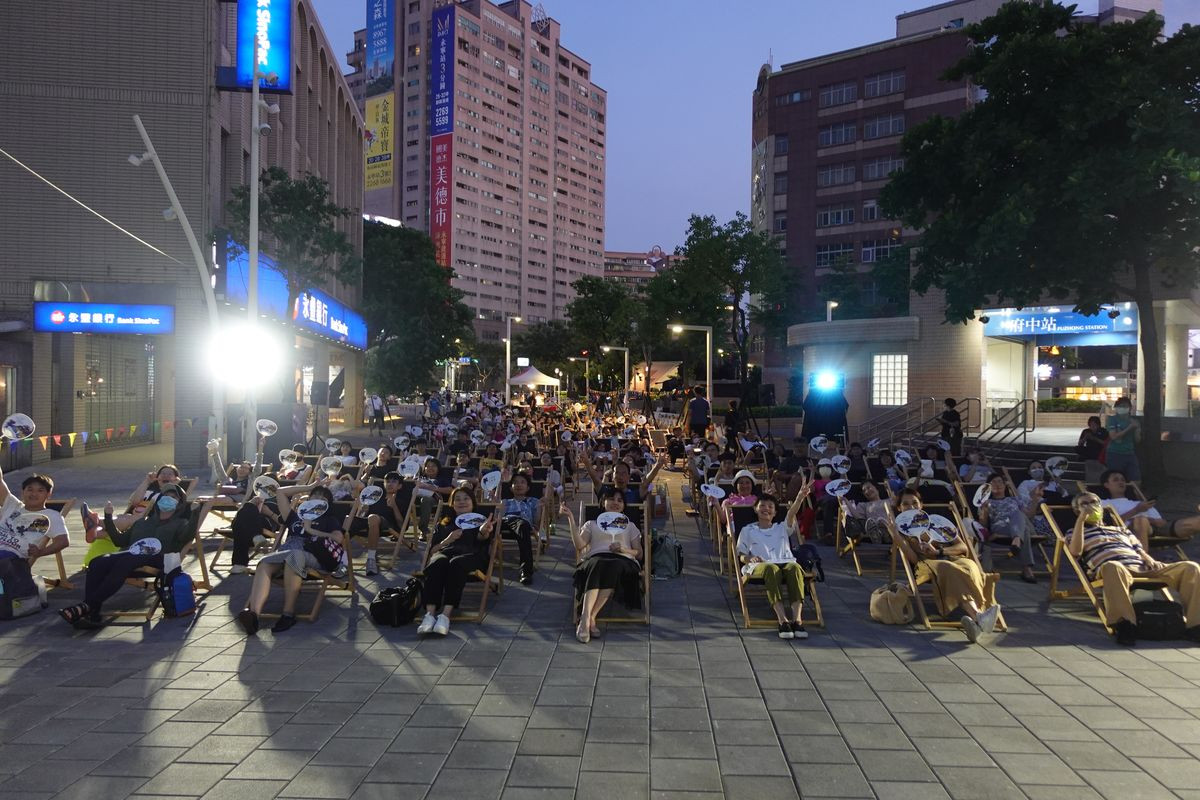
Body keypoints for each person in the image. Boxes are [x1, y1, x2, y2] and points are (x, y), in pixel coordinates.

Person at [1070, 492, 1200, 646]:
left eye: (1094, 502)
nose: (1091, 506)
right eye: (1084, 504)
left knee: (1191, 567)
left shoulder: (1120, 530)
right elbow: (1075, 552)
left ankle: (1195, 626)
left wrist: (1150, 560)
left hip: (1141, 566)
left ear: (1101, 507)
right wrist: (1081, 520)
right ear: (1078, 510)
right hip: (1116, 569)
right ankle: (1125, 625)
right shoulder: (1075, 532)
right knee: (1112, 566)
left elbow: (1139, 549)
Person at [58, 483, 193, 629]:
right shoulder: (142, 523)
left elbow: (188, 535)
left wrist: (196, 514)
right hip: (131, 557)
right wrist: (108, 518)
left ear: (179, 504)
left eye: (174, 497)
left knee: (126, 560)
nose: (169, 499)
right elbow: (120, 540)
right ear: (159, 499)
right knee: (97, 562)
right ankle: (93, 613)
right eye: (166, 496)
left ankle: (86, 606)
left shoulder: (181, 523)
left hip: (159, 559)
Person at [892, 488, 1000, 643]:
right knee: (947, 567)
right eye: (906, 504)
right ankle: (978, 616)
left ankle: (977, 623)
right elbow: (915, 559)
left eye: (915, 503)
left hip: (948, 556)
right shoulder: (902, 530)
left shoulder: (936, 522)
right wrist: (895, 536)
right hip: (927, 564)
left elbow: (963, 548)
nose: (911, 507)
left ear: (921, 505)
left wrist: (939, 551)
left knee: (970, 565)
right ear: (899, 508)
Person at [237, 482, 346, 634]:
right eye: (314, 496)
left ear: (327, 504)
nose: (317, 499)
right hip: (287, 550)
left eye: (322, 498)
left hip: (312, 553)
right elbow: (280, 492)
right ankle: (254, 615)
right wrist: (310, 487)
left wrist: (311, 530)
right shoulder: (295, 516)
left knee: (293, 558)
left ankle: (288, 614)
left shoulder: (329, 519)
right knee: (264, 564)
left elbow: (338, 538)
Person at [561, 487, 643, 643]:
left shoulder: (630, 525)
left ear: (624, 506)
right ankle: (588, 618)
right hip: (596, 559)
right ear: (603, 502)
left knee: (612, 565)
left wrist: (622, 549)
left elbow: (639, 553)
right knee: (600, 563)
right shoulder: (592, 524)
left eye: (620, 500)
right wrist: (571, 519)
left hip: (623, 560)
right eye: (612, 499)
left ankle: (587, 618)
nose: (615, 503)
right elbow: (580, 545)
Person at [417, 488, 498, 636]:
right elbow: (433, 550)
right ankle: (429, 615)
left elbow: (482, 537)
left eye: (466, 498)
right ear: (452, 504)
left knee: (456, 563)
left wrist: (484, 530)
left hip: (472, 556)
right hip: (445, 553)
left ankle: (445, 615)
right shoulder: (444, 523)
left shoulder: (480, 521)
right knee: (437, 563)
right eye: (457, 499)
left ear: (472, 502)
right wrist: (447, 540)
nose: (461, 502)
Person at [734, 490, 811, 639]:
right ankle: (782, 620)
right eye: (762, 505)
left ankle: (797, 620)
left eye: (770, 506)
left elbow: (791, 513)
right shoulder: (747, 530)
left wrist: (800, 497)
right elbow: (741, 555)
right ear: (755, 509)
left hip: (785, 562)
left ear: (775, 512)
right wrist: (749, 559)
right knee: (771, 568)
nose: (766, 509)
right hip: (761, 565)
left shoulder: (782, 527)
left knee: (794, 568)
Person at [0, 471, 70, 616]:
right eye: (29, 489)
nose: (33, 494)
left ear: (48, 494)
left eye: (40, 490)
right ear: (22, 492)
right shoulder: (12, 505)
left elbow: (63, 541)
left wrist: (40, 552)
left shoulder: (51, 516)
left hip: (12, 558)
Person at [1100, 469, 1200, 546]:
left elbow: (1162, 523)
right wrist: (1137, 510)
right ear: (1106, 485)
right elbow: (1108, 524)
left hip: (1156, 530)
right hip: (1127, 530)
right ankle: (1143, 564)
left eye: (1123, 480)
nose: (1121, 482)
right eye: (1115, 479)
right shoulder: (1104, 503)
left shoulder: (1141, 503)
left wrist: (1150, 519)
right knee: (1140, 520)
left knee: (1194, 522)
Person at [978, 473, 1040, 583]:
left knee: (1018, 514)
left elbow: (1029, 516)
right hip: (1001, 528)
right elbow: (983, 525)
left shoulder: (1015, 500)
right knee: (1024, 529)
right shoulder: (987, 503)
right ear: (988, 488)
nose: (997, 484)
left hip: (1020, 525)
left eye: (1000, 481)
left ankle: (1016, 539)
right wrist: (984, 511)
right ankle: (1027, 569)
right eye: (993, 482)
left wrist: (1035, 499)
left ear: (1005, 485)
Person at [346, 472, 408, 576]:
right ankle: (341, 561)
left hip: (388, 526)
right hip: (370, 523)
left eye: (394, 481)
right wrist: (363, 510)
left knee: (373, 517)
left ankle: (370, 559)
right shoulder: (375, 497)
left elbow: (402, 526)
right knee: (347, 519)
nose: (390, 484)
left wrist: (394, 507)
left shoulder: (401, 501)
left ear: (400, 486)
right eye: (387, 481)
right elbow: (362, 517)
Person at [1104, 397, 1141, 482]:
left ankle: (1134, 494)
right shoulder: (1112, 419)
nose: (1122, 408)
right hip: (1114, 453)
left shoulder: (1134, 421)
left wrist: (1137, 429)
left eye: (1125, 406)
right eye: (1120, 406)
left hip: (1130, 453)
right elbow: (1113, 436)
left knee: (1136, 479)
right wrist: (1130, 428)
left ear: (1130, 408)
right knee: (1115, 479)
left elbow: (1137, 440)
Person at [1076, 415, 1109, 483]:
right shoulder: (1086, 431)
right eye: (1091, 424)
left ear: (1098, 425)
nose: (1092, 426)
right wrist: (1085, 437)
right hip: (1089, 451)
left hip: (1100, 451)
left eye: (1094, 424)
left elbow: (1105, 443)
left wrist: (1094, 438)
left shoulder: (1103, 431)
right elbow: (1080, 444)